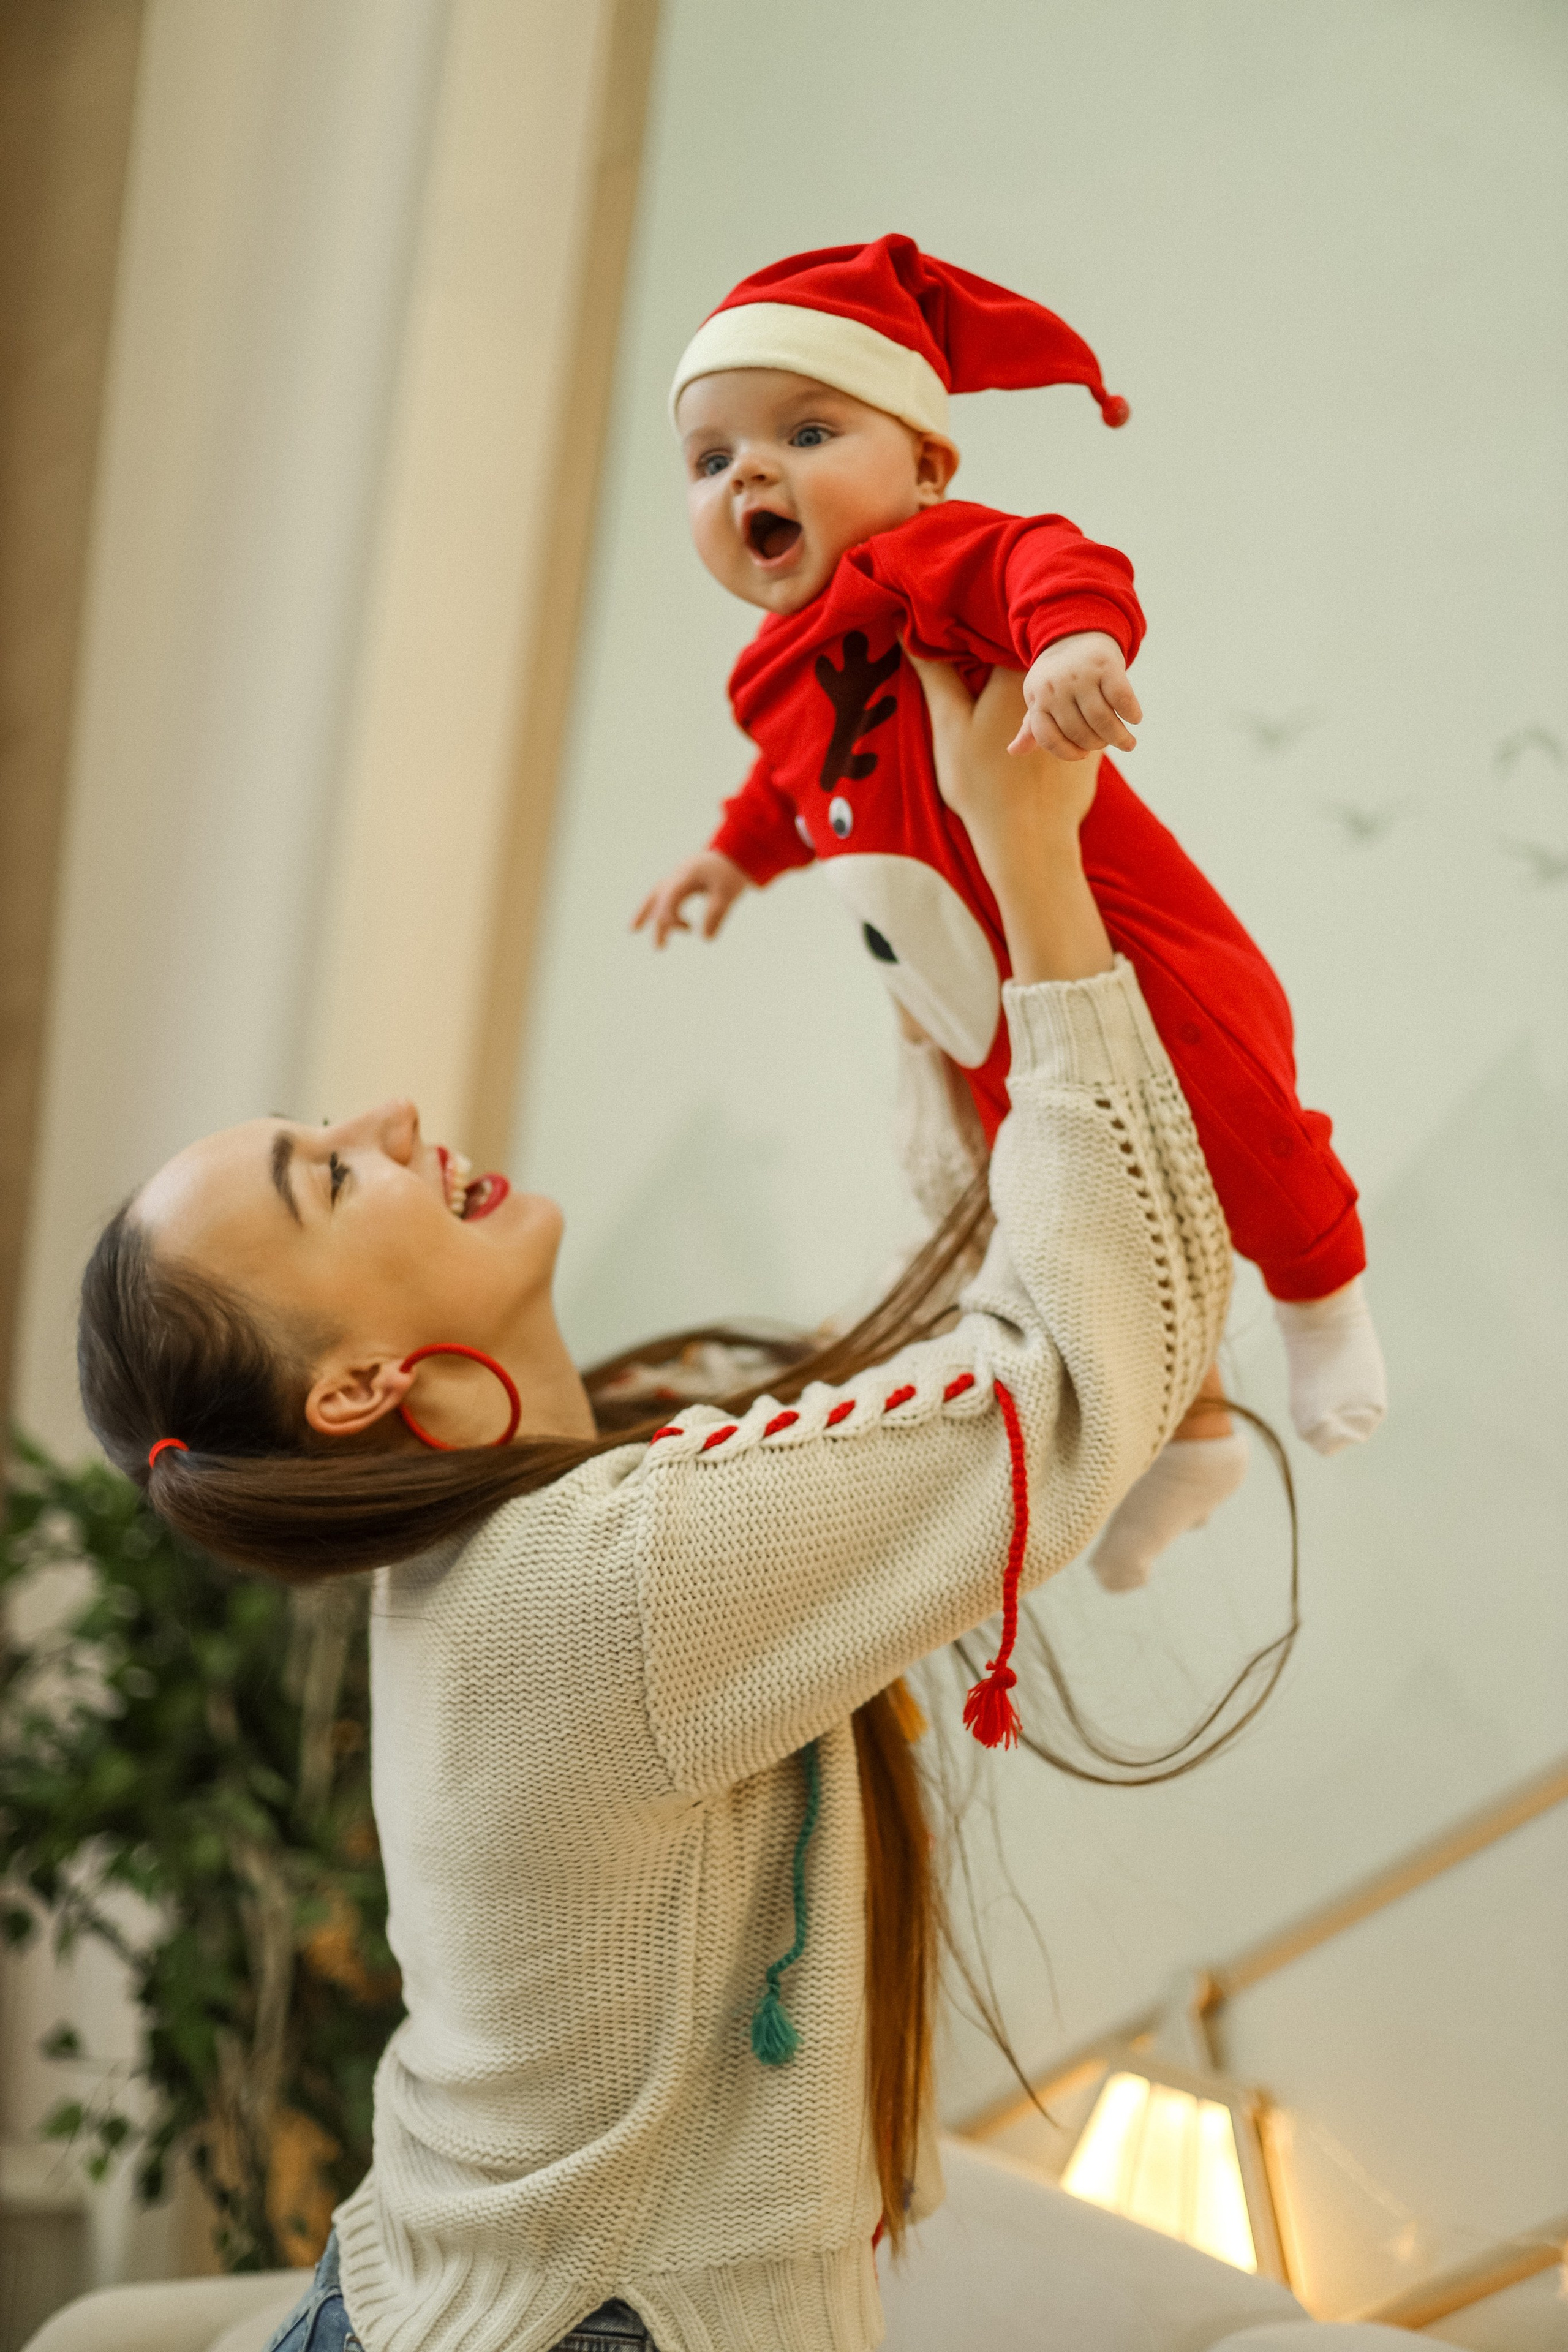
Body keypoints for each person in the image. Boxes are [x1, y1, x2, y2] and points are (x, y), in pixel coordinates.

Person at [77, 666, 1231, 2352]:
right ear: (354, 1391)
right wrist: (1032, 860)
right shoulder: (593, 1584)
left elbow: (1012, 1359)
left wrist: (952, 963)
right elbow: (1069, 1388)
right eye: (329, 1174)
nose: (387, 1119)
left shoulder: (524, 1556)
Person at [635, 233, 1387, 1589]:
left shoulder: (920, 566)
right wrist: (729, 861)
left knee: (1233, 1124)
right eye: (708, 458)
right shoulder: (772, 672)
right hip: (973, 1003)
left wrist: (1073, 646)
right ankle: (1193, 1430)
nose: (747, 471)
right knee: (1069, 1216)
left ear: (925, 466)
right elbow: (790, 786)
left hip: (1119, 939)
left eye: (805, 430)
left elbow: (1043, 561)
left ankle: (1321, 1299)